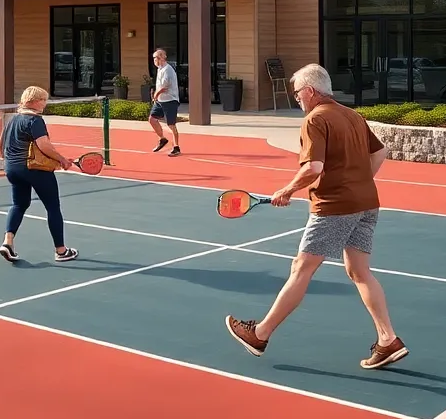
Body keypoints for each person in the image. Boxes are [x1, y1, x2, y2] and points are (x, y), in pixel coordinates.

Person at [224, 63, 407, 370]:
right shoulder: (353, 116)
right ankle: (388, 340)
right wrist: (358, 181)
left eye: (298, 94)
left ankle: (260, 334)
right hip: (366, 203)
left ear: (310, 91)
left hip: (334, 206)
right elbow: (380, 153)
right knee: (359, 271)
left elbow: (313, 168)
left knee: (302, 268)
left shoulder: (315, 119)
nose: (297, 100)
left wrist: (286, 190)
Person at [0, 85, 78, 263]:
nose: (44, 103)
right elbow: (44, 146)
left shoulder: (12, 119)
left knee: (19, 204)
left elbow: (1, 145)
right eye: (42, 100)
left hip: (12, 168)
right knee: (53, 207)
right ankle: (61, 251)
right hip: (34, 170)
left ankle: (8, 242)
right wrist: (62, 160)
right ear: (33, 101)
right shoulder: (35, 121)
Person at [148, 49, 181, 156]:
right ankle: (162, 139)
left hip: (170, 100)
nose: (154, 60)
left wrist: (155, 96)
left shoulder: (168, 70)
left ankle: (176, 147)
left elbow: (164, 87)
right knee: (152, 119)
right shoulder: (160, 69)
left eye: (156, 58)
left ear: (162, 57)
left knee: (171, 124)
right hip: (160, 101)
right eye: (153, 58)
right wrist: (156, 98)